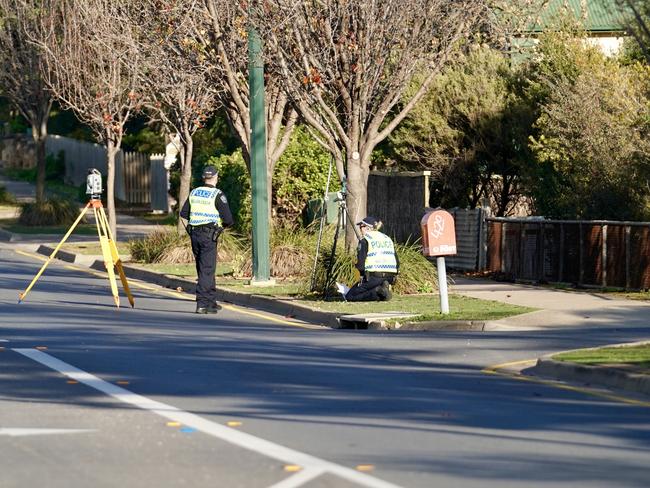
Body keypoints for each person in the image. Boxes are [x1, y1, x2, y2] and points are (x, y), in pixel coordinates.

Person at [180, 165, 234, 314]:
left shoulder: (194, 192)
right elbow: (228, 219)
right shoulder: (217, 194)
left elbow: (183, 214)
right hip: (209, 235)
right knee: (207, 269)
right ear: (216, 177)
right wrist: (222, 228)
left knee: (203, 269)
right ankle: (202, 304)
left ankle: (211, 302)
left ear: (204, 178)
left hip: (194, 234)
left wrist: (190, 231)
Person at [345, 216, 399, 302]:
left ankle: (377, 290)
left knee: (350, 296)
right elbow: (397, 261)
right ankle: (382, 289)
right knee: (370, 289)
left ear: (367, 228)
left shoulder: (365, 240)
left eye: (361, 227)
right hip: (390, 276)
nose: (360, 229)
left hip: (374, 276)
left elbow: (361, 264)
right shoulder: (387, 239)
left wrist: (362, 277)